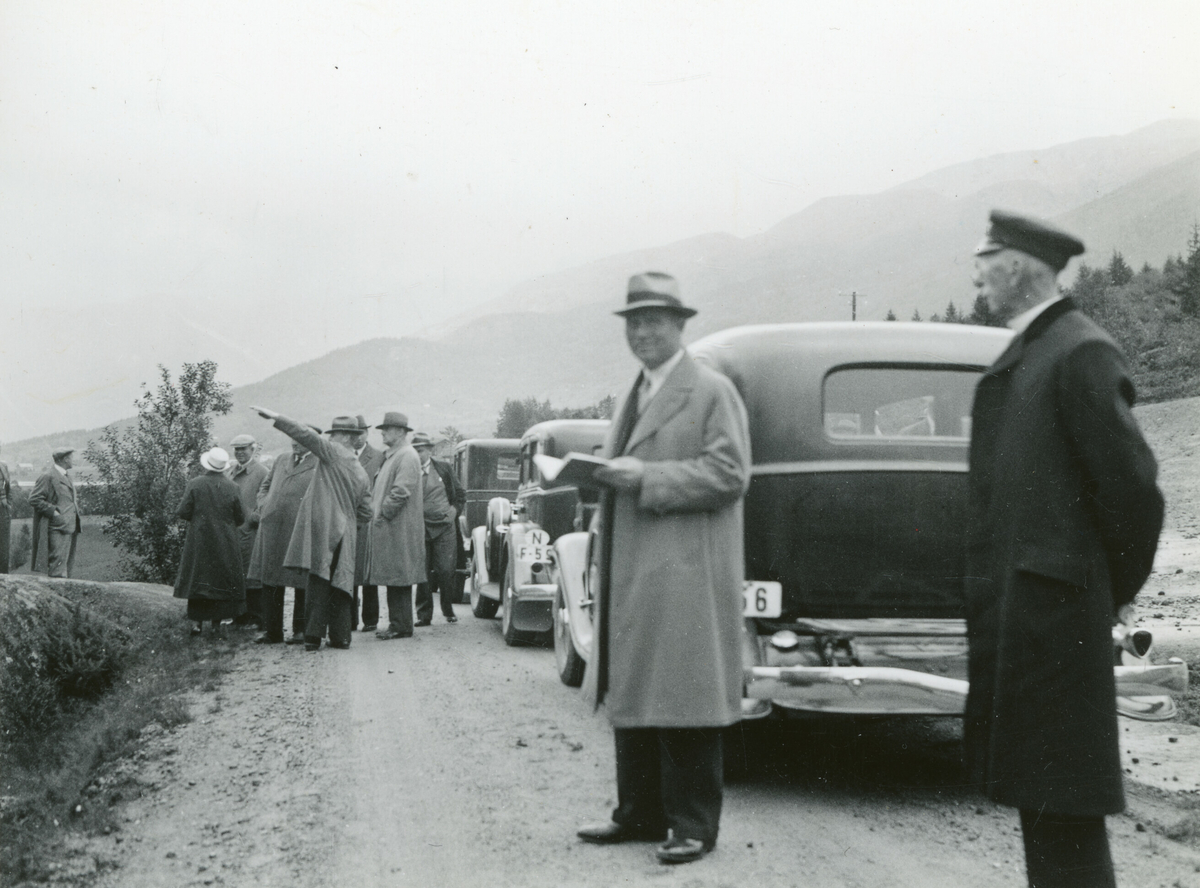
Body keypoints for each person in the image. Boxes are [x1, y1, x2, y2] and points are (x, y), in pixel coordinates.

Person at [964, 211, 1164, 888]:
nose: (977, 272)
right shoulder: (1035, 349)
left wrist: (1095, 594)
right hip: (1036, 626)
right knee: (1046, 811)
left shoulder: (1078, 351)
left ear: (1017, 266)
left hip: (1059, 629)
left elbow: (1135, 497)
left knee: (1065, 819)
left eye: (985, 258)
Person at [578, 272, 751, 865]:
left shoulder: (710, 389)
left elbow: (730, 475)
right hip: (638, 569)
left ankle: (694, 826)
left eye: (654, 320)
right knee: (636, 683)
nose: (643, 331)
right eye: (634, 321)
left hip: (685, 572)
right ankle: (640, 813)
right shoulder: (634, 392)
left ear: (681, 326)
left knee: (685, 693)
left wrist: (645, 479)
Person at [251, 409, 371, 652]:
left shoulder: (333, 452)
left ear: (345, 436)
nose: (331, 438)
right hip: (346, 532)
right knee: (341, 583)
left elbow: (305, 435)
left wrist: (276, 416)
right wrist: (349, 520)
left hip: (326, 530)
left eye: (334, 434)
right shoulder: (360, 469)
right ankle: (340, 637)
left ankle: (312, 637)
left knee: (317, 581)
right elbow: (367, 511)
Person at [247, 431, 317, 644]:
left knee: (300, 579)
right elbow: (264, 486)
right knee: (271, 579)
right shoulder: (281, 459)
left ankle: (300, 630)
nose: (294, 444)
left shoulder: (319, 463)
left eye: (300, 441)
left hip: (300, 529)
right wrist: (264, 504)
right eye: (292, 440)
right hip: (273, 528)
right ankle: (272, 631)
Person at [174, 447, 247, 636]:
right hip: (225, 540)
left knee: (199, 579)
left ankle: (197, 623)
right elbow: (241, 518)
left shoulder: (195, 484)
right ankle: (216, 624)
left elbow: (183, 511)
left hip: (199, 539)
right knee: (219, 579)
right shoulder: (233, 487)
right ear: (223, 467)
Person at [367, 412, 426, 640]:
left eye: (387, 428)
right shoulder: (396, 455)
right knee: (395, 575)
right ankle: (398, 624)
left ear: (401, 432)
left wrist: (382, 515)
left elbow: (401, 491)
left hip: (398, 527)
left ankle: (401, 626)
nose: (382, 432)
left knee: (399, 575)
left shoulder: (406, 456)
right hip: (393, 527)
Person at [411, 432, 464, 625]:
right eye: (414, 450)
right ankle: (424, 615)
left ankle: (448, 609)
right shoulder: (409, 471)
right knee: (422, 572)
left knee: (445, 570)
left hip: (445, 528)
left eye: (421, 450)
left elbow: (459, 494)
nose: (418, 454)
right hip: (420, 528)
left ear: (430, 450)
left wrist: (453, 512)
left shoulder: (444, 468)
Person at [228, 434, 269, 627]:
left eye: (243, 449)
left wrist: (253, 518)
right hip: (233, 531)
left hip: (251, 532)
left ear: (253, 450)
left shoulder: (262, 472)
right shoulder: (230, 472)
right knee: (237, 572)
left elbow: (266, 501)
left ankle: (257, 617)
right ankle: (240, 617)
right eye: (236, 449)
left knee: (253, 573)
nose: (240, 453)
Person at [351, 415, 386, 631]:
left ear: (367, 434)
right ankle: (349, 619)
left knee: (369, 572)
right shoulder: (343, 456)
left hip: (369, 521)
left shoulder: (379, 457)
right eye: (353, 434)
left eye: (361, 433)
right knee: (348, 572)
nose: (357, 438)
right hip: (348, 519)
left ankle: (371, 620)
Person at [29, 446, 84, 578]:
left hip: (69, 526)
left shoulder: (65, 475)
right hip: (57, 527)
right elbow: (34, 499)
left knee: (65, 569)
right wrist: (54, 512)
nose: (73, 460)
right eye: (71, 457)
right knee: (57, 570)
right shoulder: (48, 476)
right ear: (64, 459)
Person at [0, 444, 10, 573]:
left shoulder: (3, 466)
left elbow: (8, 488)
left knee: (3, 547)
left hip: (2, 512)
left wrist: (8, 504)